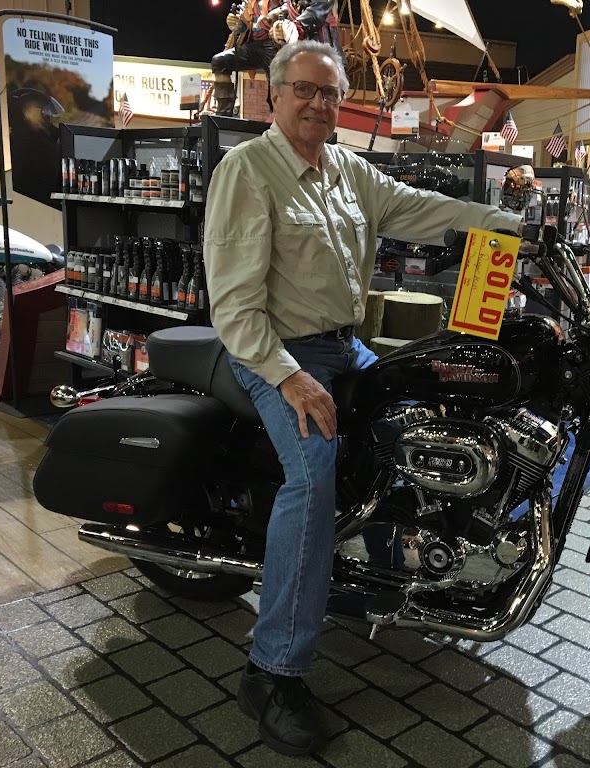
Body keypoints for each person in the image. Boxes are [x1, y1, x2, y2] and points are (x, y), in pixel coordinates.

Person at [202, 39, 523, 756]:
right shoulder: (247, 170)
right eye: (305, 90)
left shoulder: (347, 169)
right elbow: (234, 306)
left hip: (345, 344)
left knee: (427, 417)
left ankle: (399, 569)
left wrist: (512, 228)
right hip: (274, 351)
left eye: (329, 93)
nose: (318, 104)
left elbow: (419, 208)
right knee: (313, 475)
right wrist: (289, 376)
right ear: (276, 94)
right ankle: (272, 671)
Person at [210, 0, 343, 116]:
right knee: (220, 61)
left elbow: (307, 10)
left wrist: (289, 25)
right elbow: (247, 22)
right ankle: (223, 114)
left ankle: (281, 120)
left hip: (280, 44)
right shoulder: (251, 3)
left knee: (278, 89)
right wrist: (238, 24)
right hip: (259, 45)